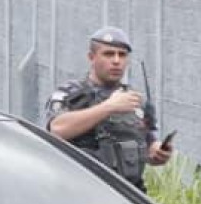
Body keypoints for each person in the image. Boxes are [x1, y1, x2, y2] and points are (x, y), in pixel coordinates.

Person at [45, 26, 174, 190]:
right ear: (91, 57)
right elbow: (57, 128)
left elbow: (148, 144)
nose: (116, 61)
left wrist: (157, 153)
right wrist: (108, 107)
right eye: (108, 54)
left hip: (128, 195)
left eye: (122, 55)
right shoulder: (71, 94)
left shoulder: (134, 101)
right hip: (81, 192)